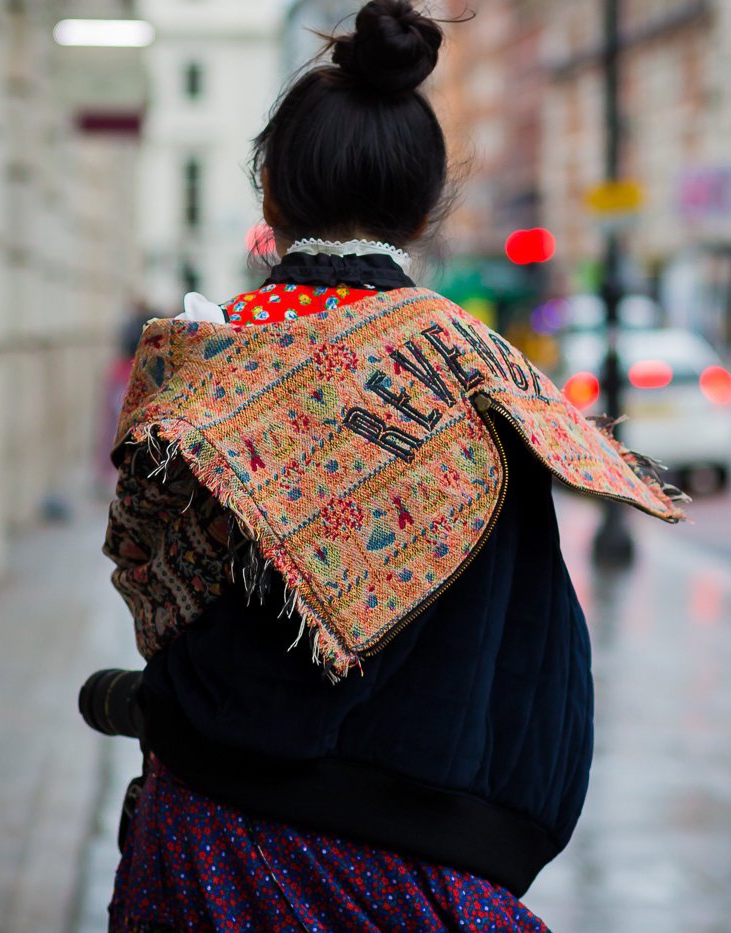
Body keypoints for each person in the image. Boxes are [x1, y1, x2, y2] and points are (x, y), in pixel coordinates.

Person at [98, 3, 687, 929]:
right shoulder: (495, 373)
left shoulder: (212, 359)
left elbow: (160, 603)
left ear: (270, 196)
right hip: (442, 875)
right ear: (426, 208)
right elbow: (545, 675)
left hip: (223, 848)